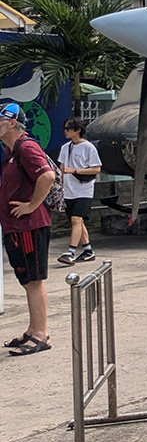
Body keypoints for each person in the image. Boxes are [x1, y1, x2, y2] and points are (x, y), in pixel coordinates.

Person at [0, 100, 56, 355]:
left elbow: (47, 176)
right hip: (16, 226)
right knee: (27, 280)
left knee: (34, 280)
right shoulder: (12, 152)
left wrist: (32, 205)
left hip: (29, 226)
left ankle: (41, 334)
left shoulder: (26, 146)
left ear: (12, 122)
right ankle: (33, 330)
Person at [56, 116, 102, 266]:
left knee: (77, 219)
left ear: (78, 130)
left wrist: (75, 170)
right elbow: (62, 169)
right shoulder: (65, 148)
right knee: (77, 221)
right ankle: (88, 250)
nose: (66, 131)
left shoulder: (88, 147)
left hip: (84, 189)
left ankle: (70, 251)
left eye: (69, 129)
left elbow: (96, 168)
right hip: (68, 189)